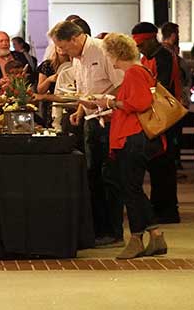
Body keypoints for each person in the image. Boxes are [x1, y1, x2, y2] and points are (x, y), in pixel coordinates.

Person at [81, 33, 168, 259]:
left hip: (133, 139)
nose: (108, 59)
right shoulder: (140, 71)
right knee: (132, 188)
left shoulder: (134, 73)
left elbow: (139, 103)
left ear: (116, 54)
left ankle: (138, 238)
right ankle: (154, 235)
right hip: (135, 136)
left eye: (108, 54)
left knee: (130, 189)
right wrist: (114, 110)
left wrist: (108, 102)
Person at [51, 20, 125, 247]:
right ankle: (98, 229)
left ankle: (113, 231)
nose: (62, 52)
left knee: (108, 177)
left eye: (64, 46)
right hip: (90, 122)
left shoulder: (103, 50)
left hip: (108, 121)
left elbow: (121, 84)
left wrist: (102, 102)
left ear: (76, 38)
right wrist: (81, 111)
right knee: (92, 176)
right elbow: (85, 90)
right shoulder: (77, 57)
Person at [131, 22, 180, 224]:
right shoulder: (147, 58)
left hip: (167, 118)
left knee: (165, 164)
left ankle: (167, 210)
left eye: (142, 44)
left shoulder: (164, 57)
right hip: (155, 117)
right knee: (157, 164)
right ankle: (160, 206)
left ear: (152, 39)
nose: (140, 49)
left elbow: (162, 87)